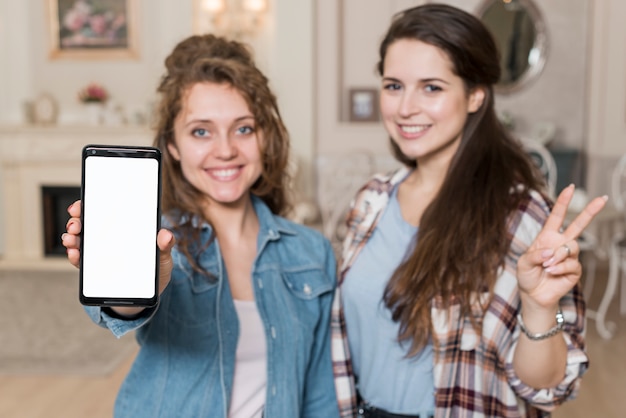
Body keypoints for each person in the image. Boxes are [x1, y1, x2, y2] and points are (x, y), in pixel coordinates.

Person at [331, 4, 608, 418]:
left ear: (475, 94)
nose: (405, 108)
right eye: (393, 86)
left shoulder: (520, 216)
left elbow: (548, 386)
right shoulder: (370, 202)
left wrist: (538, 309)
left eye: (432, 88)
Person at [62, 34, 340, 418]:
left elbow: (319, 396)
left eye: (243, 128)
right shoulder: (156, 241)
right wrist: (141, 280)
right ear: (172, 146)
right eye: (201, 131)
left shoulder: (312, 252)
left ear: (265, 137)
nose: (225, 149)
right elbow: (123, 308)